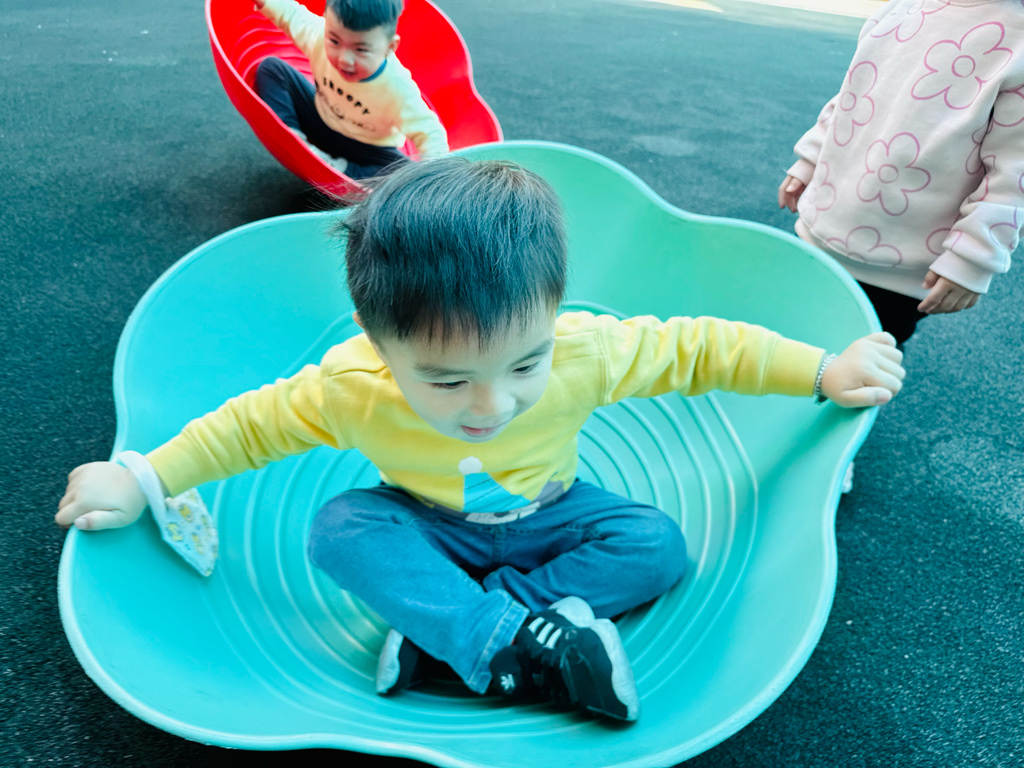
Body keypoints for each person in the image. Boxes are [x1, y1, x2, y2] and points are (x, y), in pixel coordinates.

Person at [56, 158, 905, 722]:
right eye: (447, 380)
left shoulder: (585, 351)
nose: (491, 405)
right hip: (428, 525)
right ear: (379, 343)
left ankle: (451, 633)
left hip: (552, 517)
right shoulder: (354, 387)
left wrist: (821, 370)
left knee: (656, 544)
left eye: (524, 364)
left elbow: (701, 349)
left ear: (554, 315)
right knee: (342, 527)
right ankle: (504, 634)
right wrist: (142, 478)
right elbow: (246, 428)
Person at [778, 0, 1024, 347]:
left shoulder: (1017, 40)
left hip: (900, 267)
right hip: (823, 225)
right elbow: (854, 92)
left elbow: (1014, 173)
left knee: (858, 360)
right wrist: (812, 158)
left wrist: (974, 256)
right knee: (792, 338)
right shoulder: (901, 6)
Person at [252, 0, 448, 179]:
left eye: (360, 50)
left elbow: (430, 134)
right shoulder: (319, 35)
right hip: (320, 117)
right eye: (334, 42)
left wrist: (432, 177)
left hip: (366, 147)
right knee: (271, 68)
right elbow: (291, 14)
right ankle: (295, 139)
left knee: (402, 175)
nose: (344, 59)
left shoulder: (397, 87)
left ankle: (340, 170)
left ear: (390, 47)